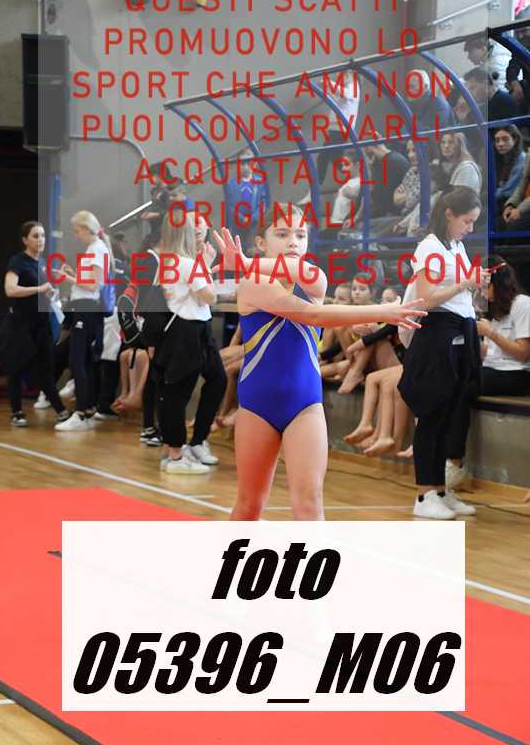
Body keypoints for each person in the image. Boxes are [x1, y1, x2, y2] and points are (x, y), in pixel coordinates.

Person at [212, 207, 427, 521]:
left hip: (304, 403)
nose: (293, 242)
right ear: (260, 242)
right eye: (282, 234)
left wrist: (246, 261)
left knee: (310, 503)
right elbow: (311, 315)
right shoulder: (253, 284)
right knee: (250, 504)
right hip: (258, 405)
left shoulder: (314, 277)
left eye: (301, 235)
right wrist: (381, 311)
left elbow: (314, 301)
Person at [397, 186, 487, 520]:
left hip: (460, 331)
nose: (470, 228)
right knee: (432, 416)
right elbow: (427, 298)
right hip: (437, 334)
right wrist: (463, 284)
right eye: (467, 221)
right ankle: (424, 495)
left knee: (449, 415)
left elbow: (455, 293)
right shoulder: (430, 247)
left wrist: (472, 283)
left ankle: (439, 489)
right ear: (449, 214)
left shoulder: (456, 246)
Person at [446, 257, 530, 489]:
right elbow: (488, 353)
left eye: (485, 286)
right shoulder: (492, 309)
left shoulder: (523, 304)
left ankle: (454, 461)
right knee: (450, 379)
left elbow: (522, 353)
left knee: (462, 387)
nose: (482, 292)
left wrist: (491, 333)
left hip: (516, 374)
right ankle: (443, 452)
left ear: (497, 282)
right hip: (492, 369)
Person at [153, 212, 227, 473]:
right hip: (186, 330)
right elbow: (210, 296)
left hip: (195, 328)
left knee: (217, 379)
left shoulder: (171, 261)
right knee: (177, 391)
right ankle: (175, 454)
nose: (197, 231)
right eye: (192, 228)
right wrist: (205, 264)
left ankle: (194, 442)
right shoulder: (185, 263)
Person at [0, 221, 69, 427]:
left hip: (41, 324)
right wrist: (39, 289)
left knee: (46, 369)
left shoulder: (43, 264)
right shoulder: (17, 262)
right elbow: (10, 290)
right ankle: (17, 413)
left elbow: (44, 291)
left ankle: (61, 411)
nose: (41, 240)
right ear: (25, 240)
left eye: (43, 235)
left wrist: (51, 292)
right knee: (16, 369)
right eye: (36, 236)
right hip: (20, 325)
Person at [55, 210, 113, 431]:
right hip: (84, 308)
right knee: (84, 361)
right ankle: (86, 409)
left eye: (77, 231)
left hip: (87, 309)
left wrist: (68, 278)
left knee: (78, 360)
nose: (76, 235)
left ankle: (81, 412)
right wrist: (74, 274)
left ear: (87, 229)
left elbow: (93, 285)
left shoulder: (97, 249)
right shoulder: (94, 249)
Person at [225, 151, 267, 252]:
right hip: (238, 225)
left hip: (255, 224)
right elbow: (229, 206)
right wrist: (241, 218)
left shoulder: (260, 182)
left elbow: (263, 203)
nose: (245, 167)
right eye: (242, 163)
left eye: (249, 163)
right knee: (239, 250)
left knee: (254, 250)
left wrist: (254, 217)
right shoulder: (231, 185)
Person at [363, 136, 410, 218]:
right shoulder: (386, 160)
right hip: (391, 210)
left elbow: (379, 197)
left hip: (394, 213)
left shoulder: (390, 162)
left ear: (367, 149)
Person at [493, 125, 526, 216]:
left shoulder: (522, 159)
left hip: (516, 204)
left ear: (515, 140)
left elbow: (508, 191)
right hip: (503, 201)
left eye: (505, 139)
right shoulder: (502, 159)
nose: (500, 144)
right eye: (497, 140)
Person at [500, 152, 530, 233]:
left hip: (525, 208)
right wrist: (511, 205)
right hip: (524, 206)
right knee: (499, 222)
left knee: (514, 227)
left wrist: (519, 210)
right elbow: (522, 185)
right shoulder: (529, 156)